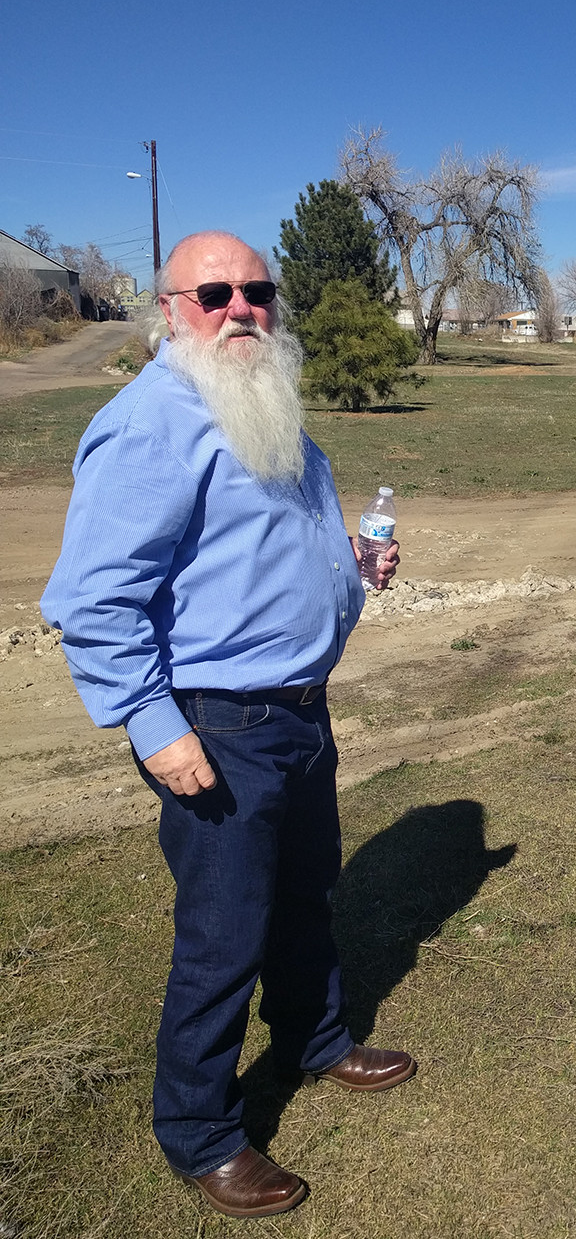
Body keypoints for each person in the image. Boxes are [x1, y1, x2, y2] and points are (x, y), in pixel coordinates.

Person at [41, 231, 415, 1219]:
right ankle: (201, 1132)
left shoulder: (260, 404)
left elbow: (261, 548)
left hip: (296, 712)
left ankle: (317, 1037)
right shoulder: (151, 423)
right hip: (216, 726)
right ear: (171, 308)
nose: (241, 307)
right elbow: (93, 604)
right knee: (222, 933)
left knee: (304, 895)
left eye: (258, 290)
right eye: (214, 292)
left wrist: (350, 567)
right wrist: (155, 728)